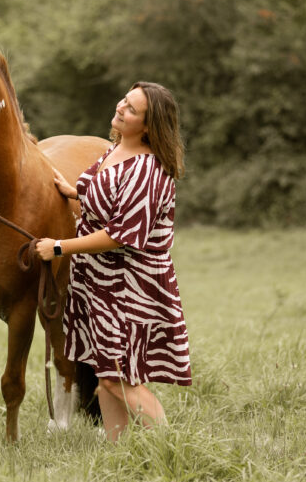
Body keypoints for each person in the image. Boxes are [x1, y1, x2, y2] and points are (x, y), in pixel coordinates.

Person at [35, 81, 191, 442]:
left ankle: (172, 447)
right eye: (125, 101)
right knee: (106, 378)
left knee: (120, 378)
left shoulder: (149, 170)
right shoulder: (115, 152)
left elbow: (122, 235)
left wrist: (60, 247)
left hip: (130, 286)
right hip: (99, 283)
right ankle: (118, 452)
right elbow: (107, 195)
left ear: (150, 126)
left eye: (132, 110)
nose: (122, 108)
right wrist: (74, 191)